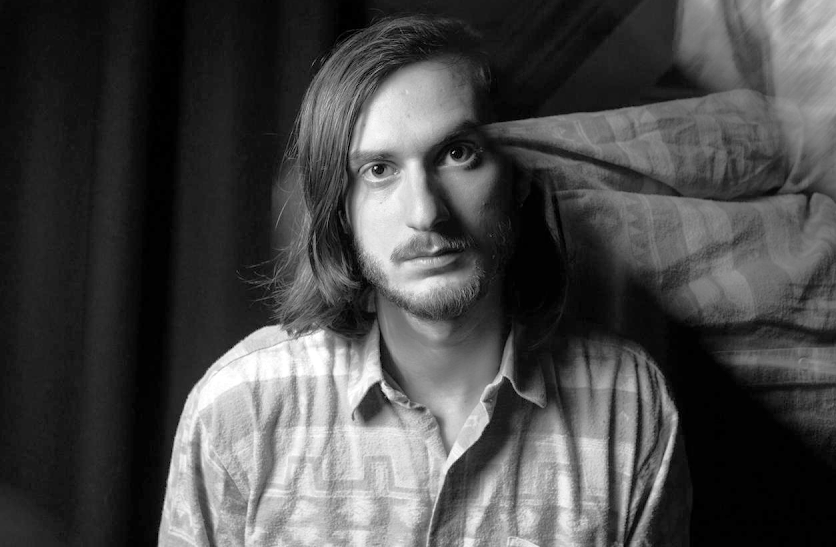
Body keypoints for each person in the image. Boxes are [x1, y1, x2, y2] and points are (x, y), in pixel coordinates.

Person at [158, 14, 689, 546]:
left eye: (457, 154)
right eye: (378, 170)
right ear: (339, 208)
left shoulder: (629, 403)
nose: (426, 213)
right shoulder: (241, 412)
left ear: (520, 176)